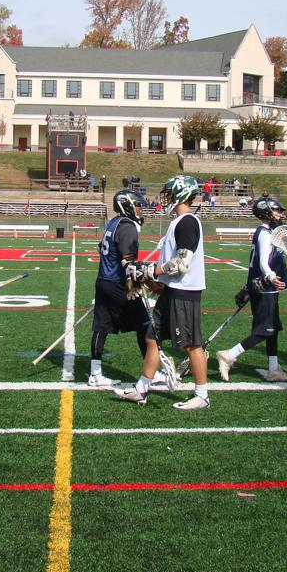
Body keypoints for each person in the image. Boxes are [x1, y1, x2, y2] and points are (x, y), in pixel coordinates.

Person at [116, 175, 209, 410]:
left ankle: (202, 395)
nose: (166, 198)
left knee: (191, 344)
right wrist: (152, 281)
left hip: (184, 293)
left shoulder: (187, 222)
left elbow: (182, 263)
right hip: (171, 291)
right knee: (152, 338)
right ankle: (141, 389)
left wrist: (151, 270)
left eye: (169, 193)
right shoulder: (177, 222)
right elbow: (170, 265)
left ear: (180, 193)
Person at [216, 197, 287, 383]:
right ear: (266, 212)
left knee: (272, 329)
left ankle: (273, 369)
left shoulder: (269, 232)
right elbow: (263, 263)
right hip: (264, 288)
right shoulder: (265, 234)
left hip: (267, 288)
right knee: (264, 330)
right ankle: (229, 355)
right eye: (276, 210)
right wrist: (271, 277)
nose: (280, 214)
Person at [89, 190, 155, 387]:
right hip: (117, 283)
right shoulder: (127, 227)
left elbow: (101, 247)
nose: (141, 209)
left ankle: (95, 373)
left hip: (103, 280)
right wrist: (140, 278)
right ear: (128, 205)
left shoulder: (113, 222)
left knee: (101, 327)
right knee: (144, 322)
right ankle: (152, 371)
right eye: (138, 205)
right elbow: (129, 263)